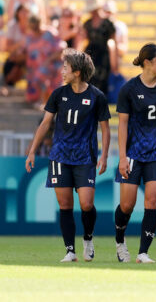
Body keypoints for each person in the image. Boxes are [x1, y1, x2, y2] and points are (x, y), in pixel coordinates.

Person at [25, 49, 111, 262]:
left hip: (85, 156)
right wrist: (32, 151)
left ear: (78, 72)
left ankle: (88, 239)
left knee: (86, 204)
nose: (62, 71)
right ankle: (70, 250)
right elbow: (46, 123)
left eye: (66, 67)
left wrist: (104, 156)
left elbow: (106, 129)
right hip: (60, 156)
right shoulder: (58, 94)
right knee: (65, 205)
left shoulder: (96, 97)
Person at [114, 43, 156, 263]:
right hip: (133, 154)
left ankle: (143, 253)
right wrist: (123, 157)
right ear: (147, 62)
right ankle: (120, 241)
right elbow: (122, 124)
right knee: (127, 205)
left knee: (152, 202)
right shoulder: (129, 89)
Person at [25, 14, 66, 107]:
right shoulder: (30, 36)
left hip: (53, 63)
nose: (34, 29)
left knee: (41, 74)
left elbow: (62, 49)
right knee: (37, 74)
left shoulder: (50, 33)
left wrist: (49, 59)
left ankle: (44, 101)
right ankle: (39, 100)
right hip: (35, 66)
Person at [81, 0, 116, 95]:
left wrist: (115, 63)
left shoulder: (108, 23)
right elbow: (83, 40)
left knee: (103, 80)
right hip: (91, 54)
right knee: (89, 78)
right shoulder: (87, 23)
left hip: (104, 55)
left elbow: (114, 43)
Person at [3, 3, 30, 86]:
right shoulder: (12, 26)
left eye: (26, 12)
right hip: (15, 56)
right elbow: (8, 48)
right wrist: (20, 44)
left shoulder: (32, 27)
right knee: (14, 61)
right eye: (22, 12)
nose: (24, 14)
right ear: (17, 13)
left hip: (28, 56)